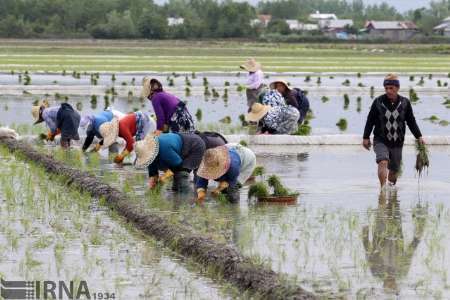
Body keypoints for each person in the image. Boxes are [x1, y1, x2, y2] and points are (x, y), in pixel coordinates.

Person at [363, 74, 425, 188]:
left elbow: (411, 121)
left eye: (391, 88)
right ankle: (382, 190)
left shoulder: (405, 103)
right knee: (382, 161)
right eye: (386, 88)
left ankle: (391, 191)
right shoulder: (378, 102)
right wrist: (365, 137)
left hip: (397, 142)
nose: (388, 91)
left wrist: (419, 136)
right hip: (380, 140)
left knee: (393, 172)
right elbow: (370, 120)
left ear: (397, 88)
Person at [362, 191, 426, 292]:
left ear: (384, 286)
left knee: (382, 206)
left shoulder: (377, 273)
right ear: (396, 286)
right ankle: (390, 186)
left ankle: (386, 186)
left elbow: (369, 254)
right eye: (393, 287)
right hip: (395, 233)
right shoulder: (402, 272)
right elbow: (409, 254)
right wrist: (416, 239)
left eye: (389, 287)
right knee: (394, 204)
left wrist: (365, 238)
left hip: (380, 234)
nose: (391, 284)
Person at [134, 132, 206, 191]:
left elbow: (178, 165)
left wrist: (163, 178)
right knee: (175, 187)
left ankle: (185, 202)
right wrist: (152, 188)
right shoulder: (150, 156)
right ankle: (177, 196)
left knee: (182, 175)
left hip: (195, 146)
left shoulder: (164, 149)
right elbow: (153, 175)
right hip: (178, 150)